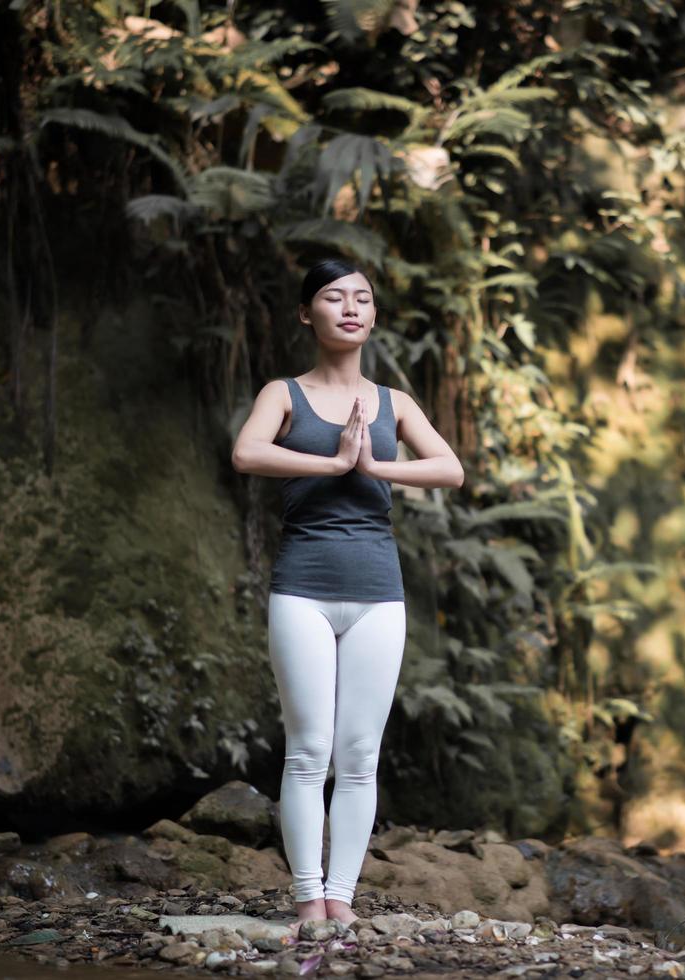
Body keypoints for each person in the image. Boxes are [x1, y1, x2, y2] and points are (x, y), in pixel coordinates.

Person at [230, 258, 464, 930]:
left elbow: (449, 468)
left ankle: (342, 900)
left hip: (377, 594)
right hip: (302, 588)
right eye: (334, 298)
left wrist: (371, 465)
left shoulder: (393, 403)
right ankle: (307, 899)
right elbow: (247, 453)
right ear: (307, 314)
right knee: (309, 749)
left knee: (359, 753)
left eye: (362, 298)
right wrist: (331, 462)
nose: (351, 308)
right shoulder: (283, 393)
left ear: (373, 317)